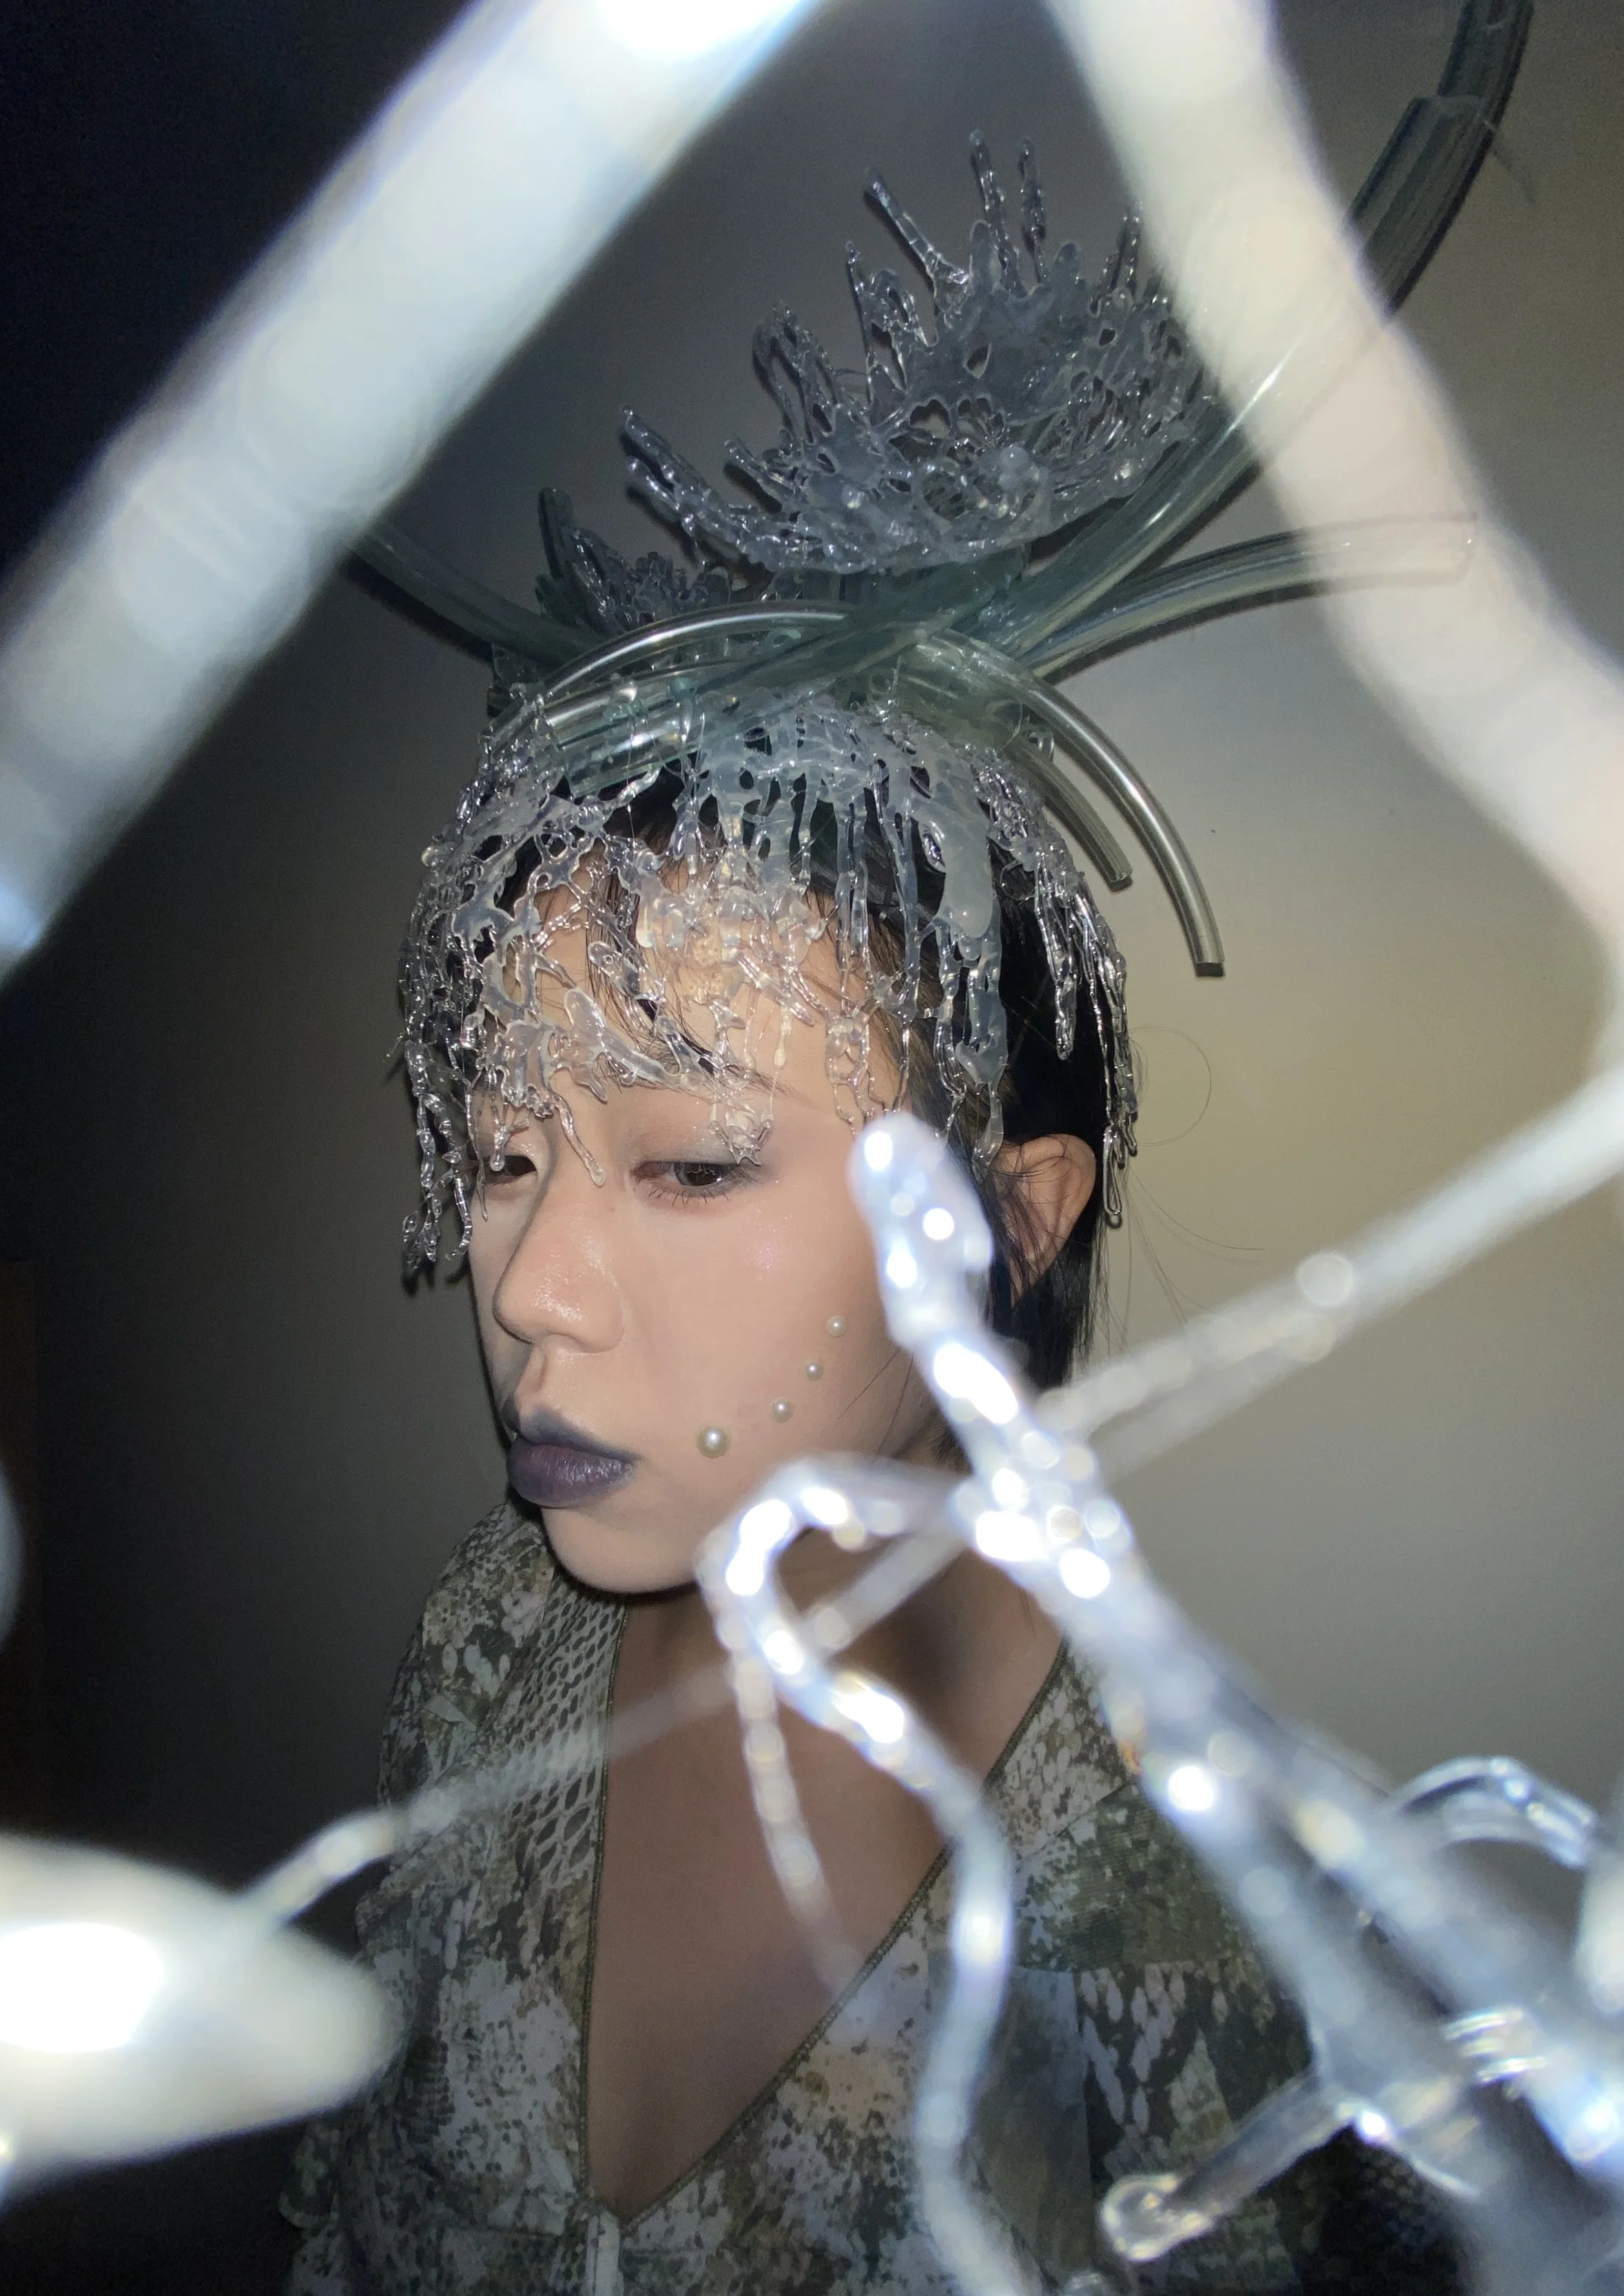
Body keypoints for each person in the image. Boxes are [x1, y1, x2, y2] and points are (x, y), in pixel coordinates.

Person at [281, 688, 1457, 2293]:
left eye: (693, 1163)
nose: (532, 1288)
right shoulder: (490, 1644)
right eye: (498, 1158)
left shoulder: (1190, 1932)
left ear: (1008, 1222)